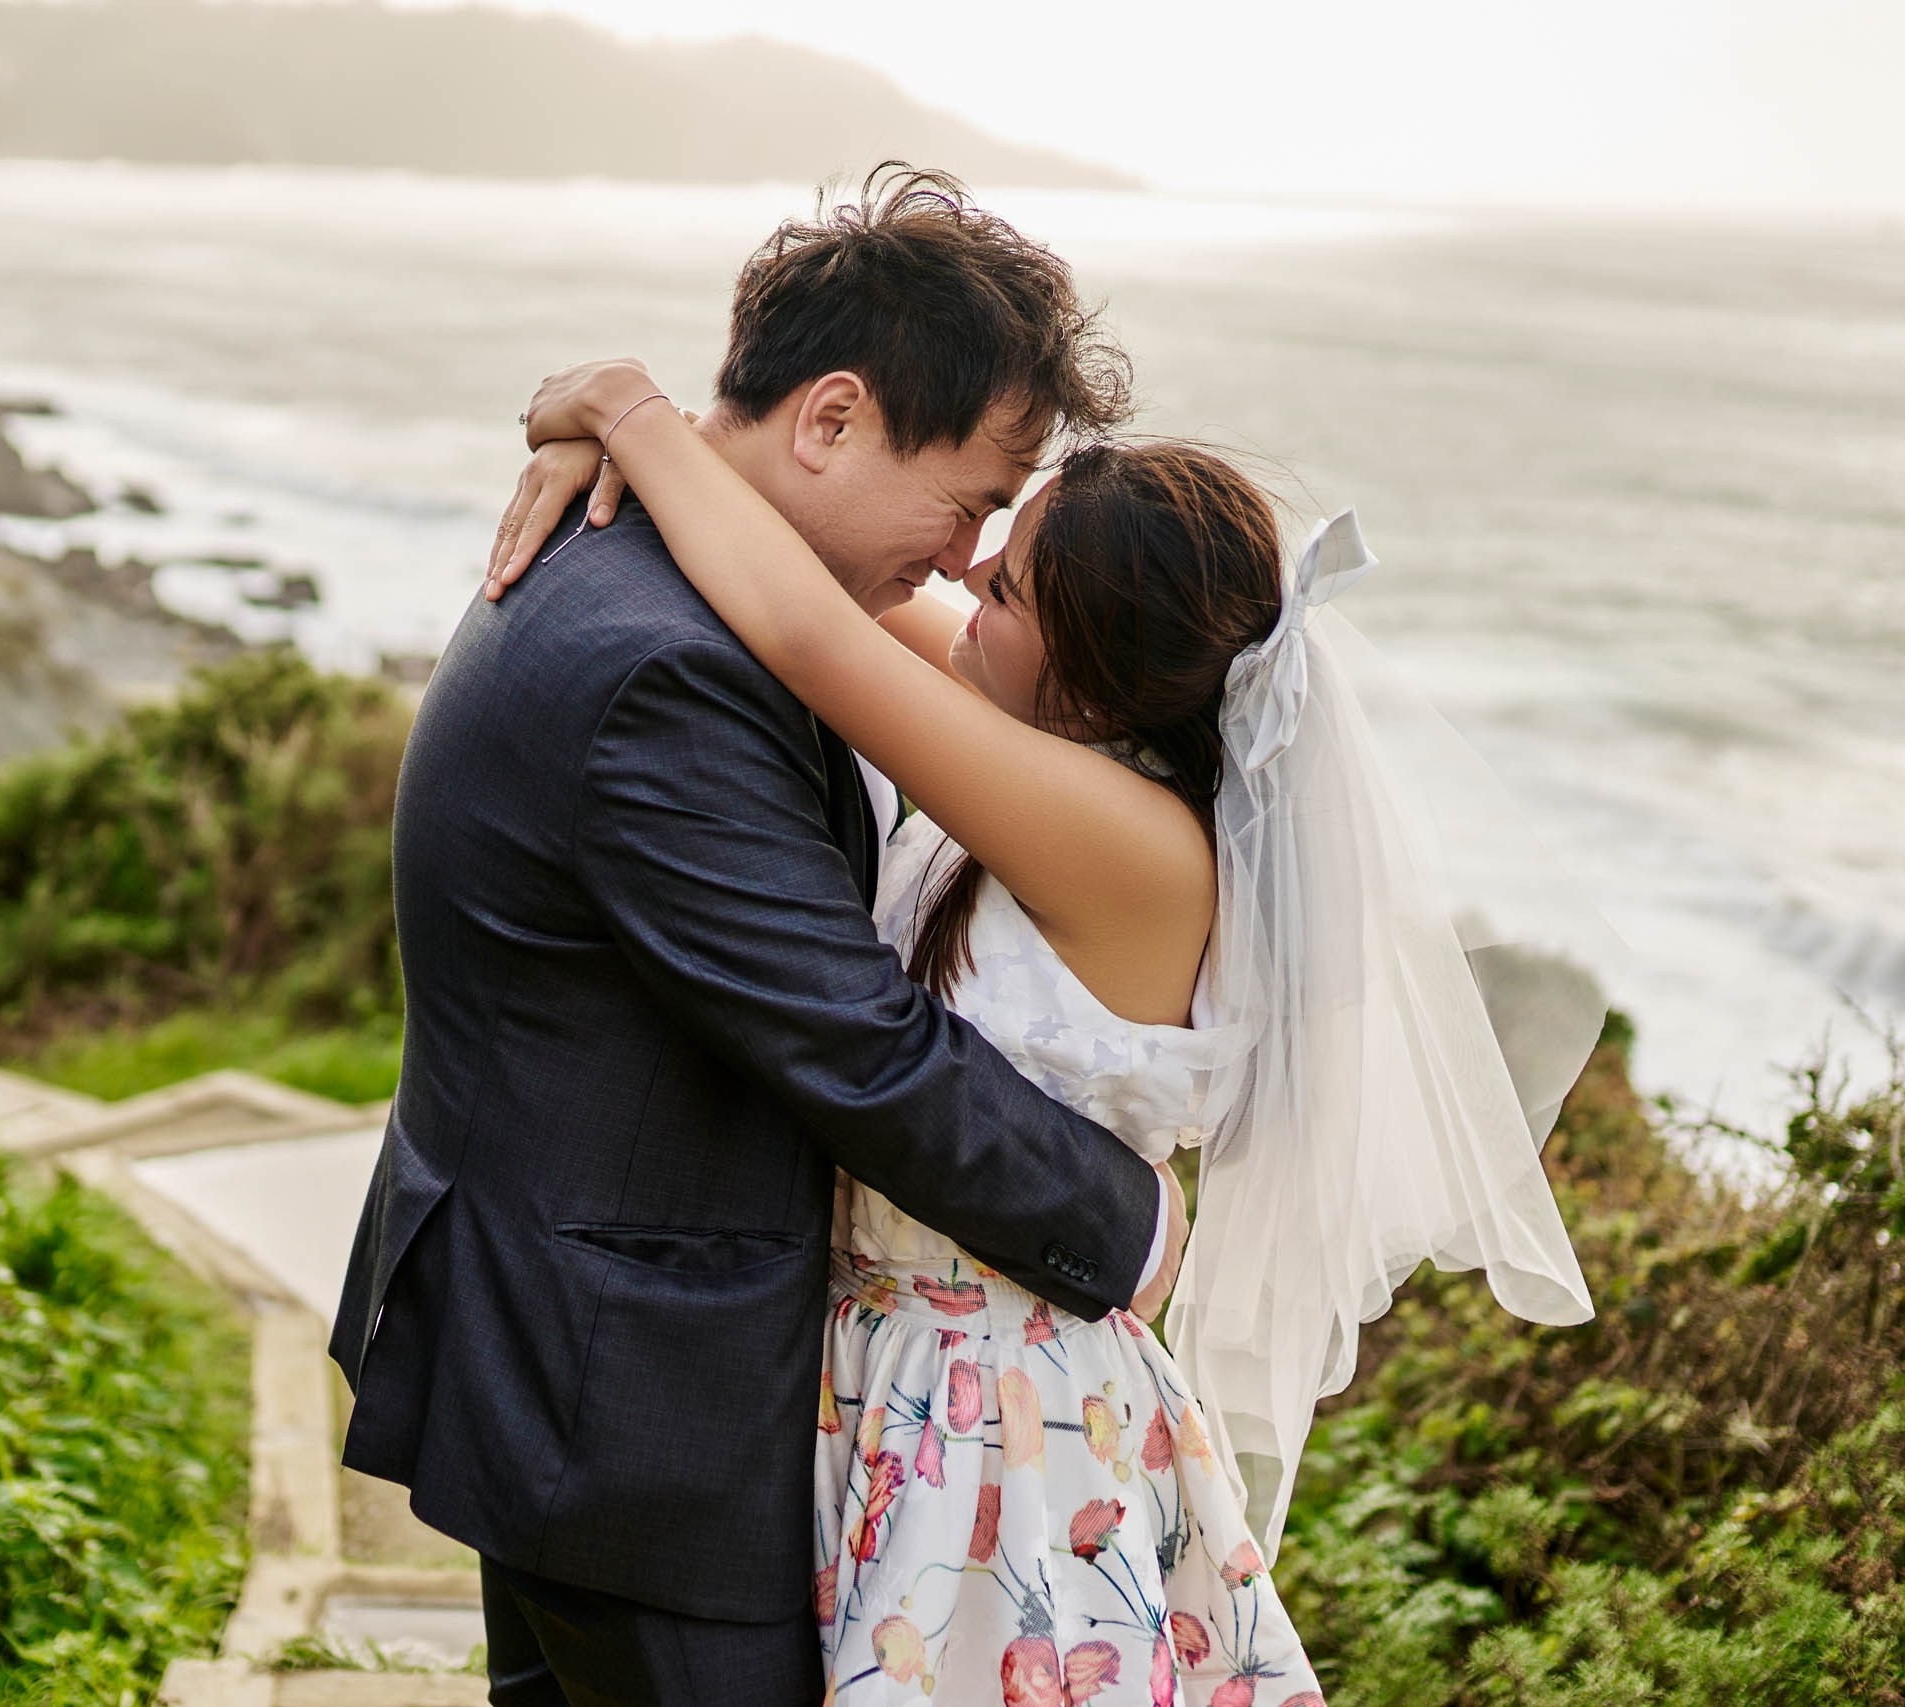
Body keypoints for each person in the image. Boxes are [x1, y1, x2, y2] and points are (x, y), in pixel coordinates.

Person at [489, 340, 1601, 1698]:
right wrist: (615, 441)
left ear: (1088, 670)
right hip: (880, 1372)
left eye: (1007, 584)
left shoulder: (1131, 845)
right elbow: (803, 568)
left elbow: (807, 632)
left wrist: (626, 410)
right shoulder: (1036, 736)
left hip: (998, 1428)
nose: (965, 577)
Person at [329, 168, 1191, 1707]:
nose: (965, 557)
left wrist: (621, 413)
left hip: (572, 1350)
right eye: (970, 502)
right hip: (627, 1401)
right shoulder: (666, 666)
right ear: (832, 418)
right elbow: (853, 1041)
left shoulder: (652, 564)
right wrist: (1125, 1224)